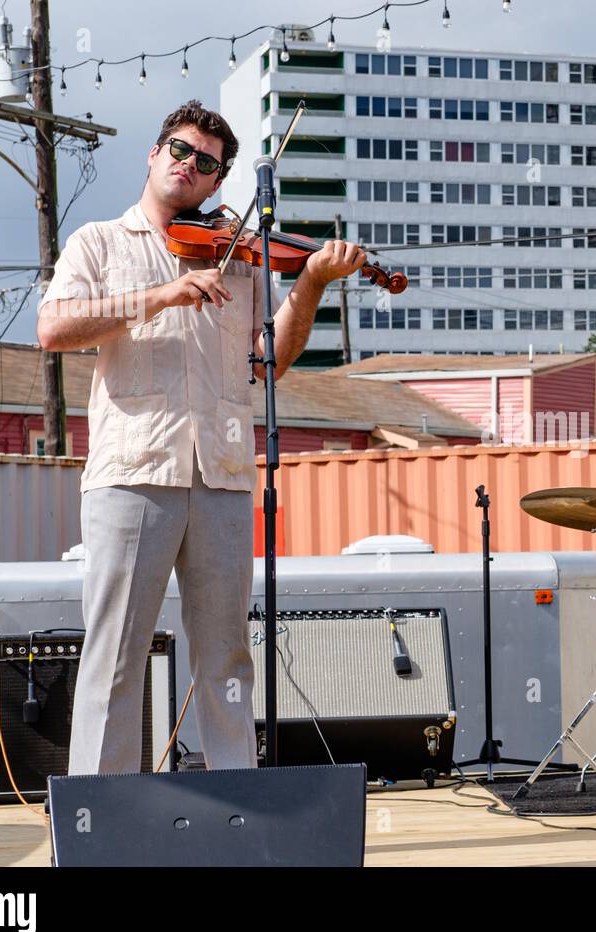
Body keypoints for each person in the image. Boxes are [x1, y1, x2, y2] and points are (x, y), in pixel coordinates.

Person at [38, 100, 366, 774]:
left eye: (207, 162)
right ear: (155, 155)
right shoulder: (99, 242)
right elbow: (53, 329)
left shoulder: (239, 260)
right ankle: (103, 820)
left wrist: (308, 286)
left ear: (219, 183)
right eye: (180, 150)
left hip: (220, 474)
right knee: (116, 656)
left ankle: (238, 809)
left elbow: (270, 360)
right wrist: (161, 295)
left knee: (228, 658)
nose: (190, 165)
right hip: (133, 473)